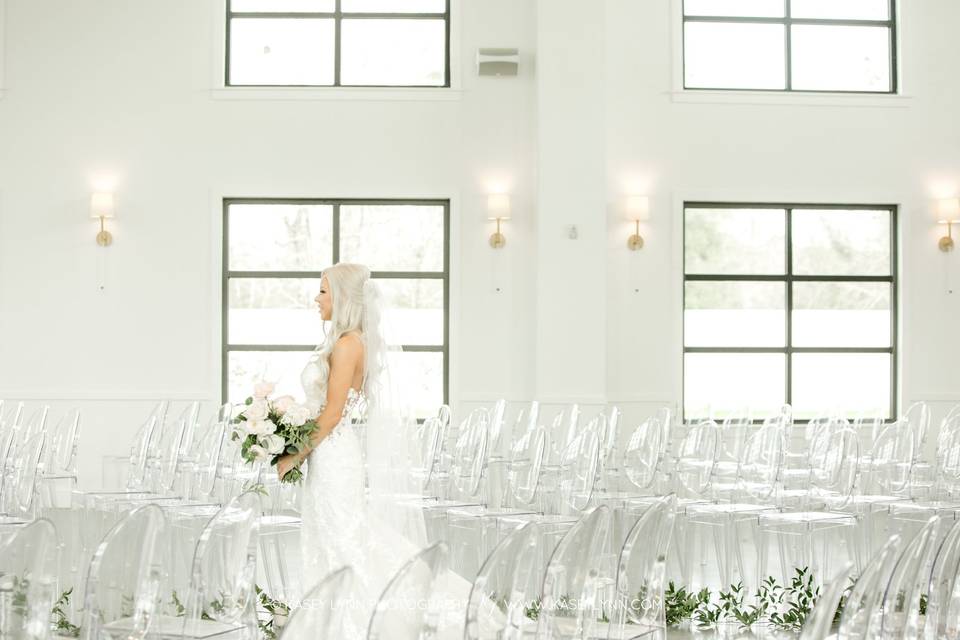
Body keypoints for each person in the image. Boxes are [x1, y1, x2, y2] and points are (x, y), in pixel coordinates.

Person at [275, 262, 456, 638]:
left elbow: (333, 414)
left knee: (346, 541)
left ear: (340, 297)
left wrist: (294, 454)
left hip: (334, 457)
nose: (316, 298)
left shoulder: (347, 345)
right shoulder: (350, 341)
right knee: (333, 540)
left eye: (323, 291)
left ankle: (362, 624)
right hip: (330, 456)